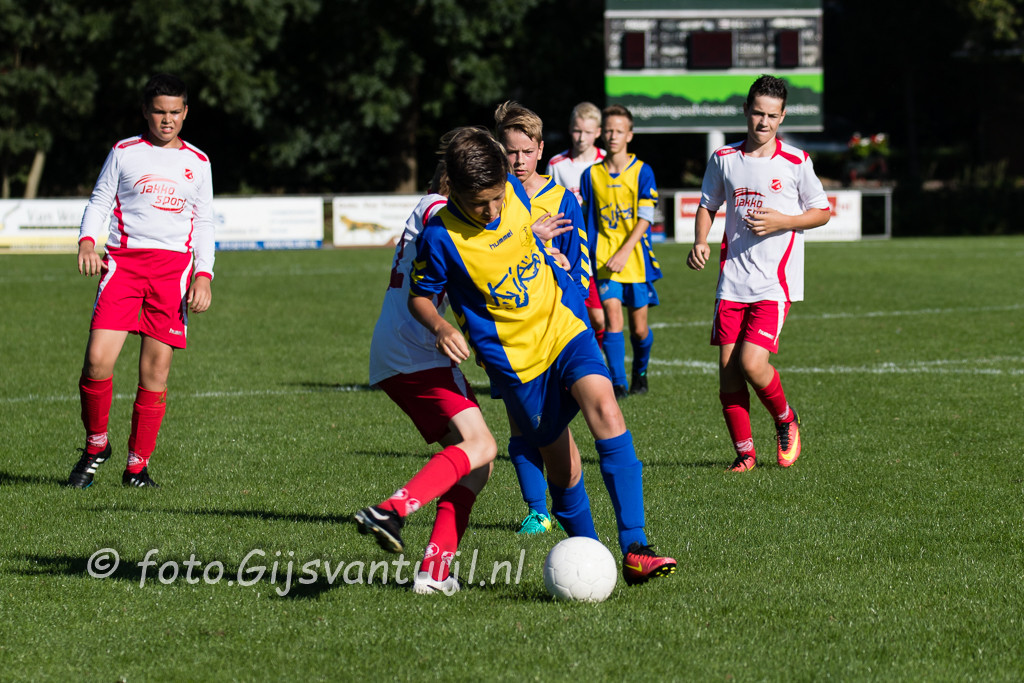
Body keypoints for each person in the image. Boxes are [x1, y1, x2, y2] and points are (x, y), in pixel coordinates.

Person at [399, 125, 675, 585]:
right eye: (480, 204)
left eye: (497, 199)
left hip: (563, 326)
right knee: (564, 467)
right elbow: (419, 298)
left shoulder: (510, 187)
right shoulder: (440, 236)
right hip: (516, 363)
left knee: (607, 409)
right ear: (455, 192)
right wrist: (442, 326)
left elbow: (519, 235)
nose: (492, 210)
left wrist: (546, 250)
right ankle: (593, 555)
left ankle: (635, 547)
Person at [67, 73, 215, 489]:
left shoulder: (198, 162)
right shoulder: (124, 152)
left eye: (175, 112)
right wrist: (87, 243)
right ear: (145, 112)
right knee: (97, 360)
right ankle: (96, 444)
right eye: (159, 111)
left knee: (155, 372)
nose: (167, 120)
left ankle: (136, 466)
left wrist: (204, 275)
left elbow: (204, 222)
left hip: (172, 275)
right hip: (124, 268)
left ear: (185, 112)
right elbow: (100, 200)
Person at [359, 163, 496, 595]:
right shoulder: (438, 210)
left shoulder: (433, 211)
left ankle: (434, 573)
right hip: (418, 350)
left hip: (403, 349)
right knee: (482, 445)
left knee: (477, 464)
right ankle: (392, 510)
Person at [686, 74, 831, 472]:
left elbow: (822, 211)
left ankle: (786, 419)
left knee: (752, 363)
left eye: (771, 115)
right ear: (746, 111)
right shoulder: (724, 159)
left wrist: (784, 220)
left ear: (782, 117)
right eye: (757, 113)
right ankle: (745, 455)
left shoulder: (796, 162)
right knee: (729, 375)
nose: (763, 122)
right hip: (732, 282)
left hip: (774, 283)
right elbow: (707, 204)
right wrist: (700, 241)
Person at [495, 101, 587, 536]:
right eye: (510, 151)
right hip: (508, 328)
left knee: (553, 422)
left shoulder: (563, 199)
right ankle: (537, 510)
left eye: (526, 152)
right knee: (519, 421)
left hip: (555, 327)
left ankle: (568, 503)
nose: (518, 160)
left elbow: (579, 267)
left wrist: (565, 276)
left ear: (540, 150)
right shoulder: (493, 200)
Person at [579, 105, 661, 398]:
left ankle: (640, 371)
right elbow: (587, 218)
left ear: (630, 135)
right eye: (609, 130)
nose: (613, 136)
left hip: (635, 259)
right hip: (603, 259)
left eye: (619, 131)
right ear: (603, 133)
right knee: (613, 319)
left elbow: (646, 217)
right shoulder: (591, 175)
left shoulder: (642, 171)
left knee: (639, 330)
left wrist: (625, 251)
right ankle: (618, 383)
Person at [546, 102, 608, 349]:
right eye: (577, 131)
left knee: (602, 317)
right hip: (570, 248)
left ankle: (599, 359)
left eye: (587, 132)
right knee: (576, 312)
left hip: (601, 248)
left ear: (598, 132)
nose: (581, 138)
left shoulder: (606, 162)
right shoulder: (557, 164)